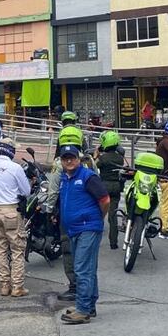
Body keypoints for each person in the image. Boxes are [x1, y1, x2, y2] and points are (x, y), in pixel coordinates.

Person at [57, 144, 110, 325]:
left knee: (81, 268)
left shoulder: (88, 177)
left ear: (79, 159)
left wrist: (97, 218)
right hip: (74, 229)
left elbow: (105, 200)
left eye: (72, 157)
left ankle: (82, 309)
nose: (69, 161)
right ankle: (89, 305)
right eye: (65, 158)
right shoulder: (65, 178)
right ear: (61, 161)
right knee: (88, 268)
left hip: (88, 227)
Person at [47, 125, 94, 300]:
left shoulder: (61, 163)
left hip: (68, 213)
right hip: (87, 214)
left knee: (68, 249)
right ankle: (86, 288)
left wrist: (49, 210)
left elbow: (53, 190)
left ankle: (75, 287)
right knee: (85, 253)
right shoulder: (88, 160)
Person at [0, 140, 32, 298]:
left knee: (0, 249)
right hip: (11, 211)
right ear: (11, 151)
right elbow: (26, 191)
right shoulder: (15, 168)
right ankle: (17, 287)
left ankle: (4, 286)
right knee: (17, 249)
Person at [95, 130, 127, 249]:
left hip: (104, 188)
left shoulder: (103, 159)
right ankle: (113, 243)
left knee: (99, 214)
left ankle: (95, 239)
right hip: (116, 187)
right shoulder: (120, 158)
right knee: (112, 216)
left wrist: (96, 155)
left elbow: (93, 166)